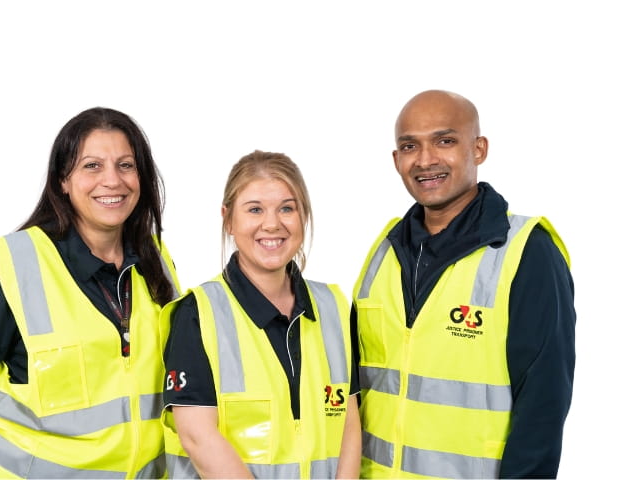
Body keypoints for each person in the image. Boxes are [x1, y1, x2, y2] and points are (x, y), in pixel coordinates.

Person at [0, 107, 182, 479]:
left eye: (126, 165)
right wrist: (19, 450)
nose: (112, 180)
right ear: (62, 180)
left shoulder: (155, 260)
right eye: (92, 166)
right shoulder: (10, 266)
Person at [353, 90, 575, 478]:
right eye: (410, 146)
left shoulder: (526, 252)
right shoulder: (384, 251)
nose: (425, 160)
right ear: (396, 160)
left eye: (445, 140)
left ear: (478, 149)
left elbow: (543, 404)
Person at [162, 150, 362, 479]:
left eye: (287, 208)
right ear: (228, 219)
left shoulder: (333, 307)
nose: (272, 224)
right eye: (255, 209)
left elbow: (350, 424)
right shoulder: (197, 313)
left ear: (304, 216)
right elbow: (198, 437)